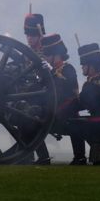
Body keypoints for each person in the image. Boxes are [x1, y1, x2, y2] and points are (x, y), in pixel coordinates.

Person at [40, 34, 80, 163]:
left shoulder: (68, 69)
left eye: (47, 54)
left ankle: (80, 157)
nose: (45, 57)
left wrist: (52, 72)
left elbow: (67, 89)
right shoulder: (51, 72)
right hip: (53, 112)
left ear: (55, 55)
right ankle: (43, 157)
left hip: (67, 113)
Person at [22, 12, 50, 164]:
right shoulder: (26, 51)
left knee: (27, 116)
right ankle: (27, 154)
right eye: (27, 35)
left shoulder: (48, 51)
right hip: (29, 93)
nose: (29, 39)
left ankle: (37, 155)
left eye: (32, 35)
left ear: (39, 34)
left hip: (43, 96)